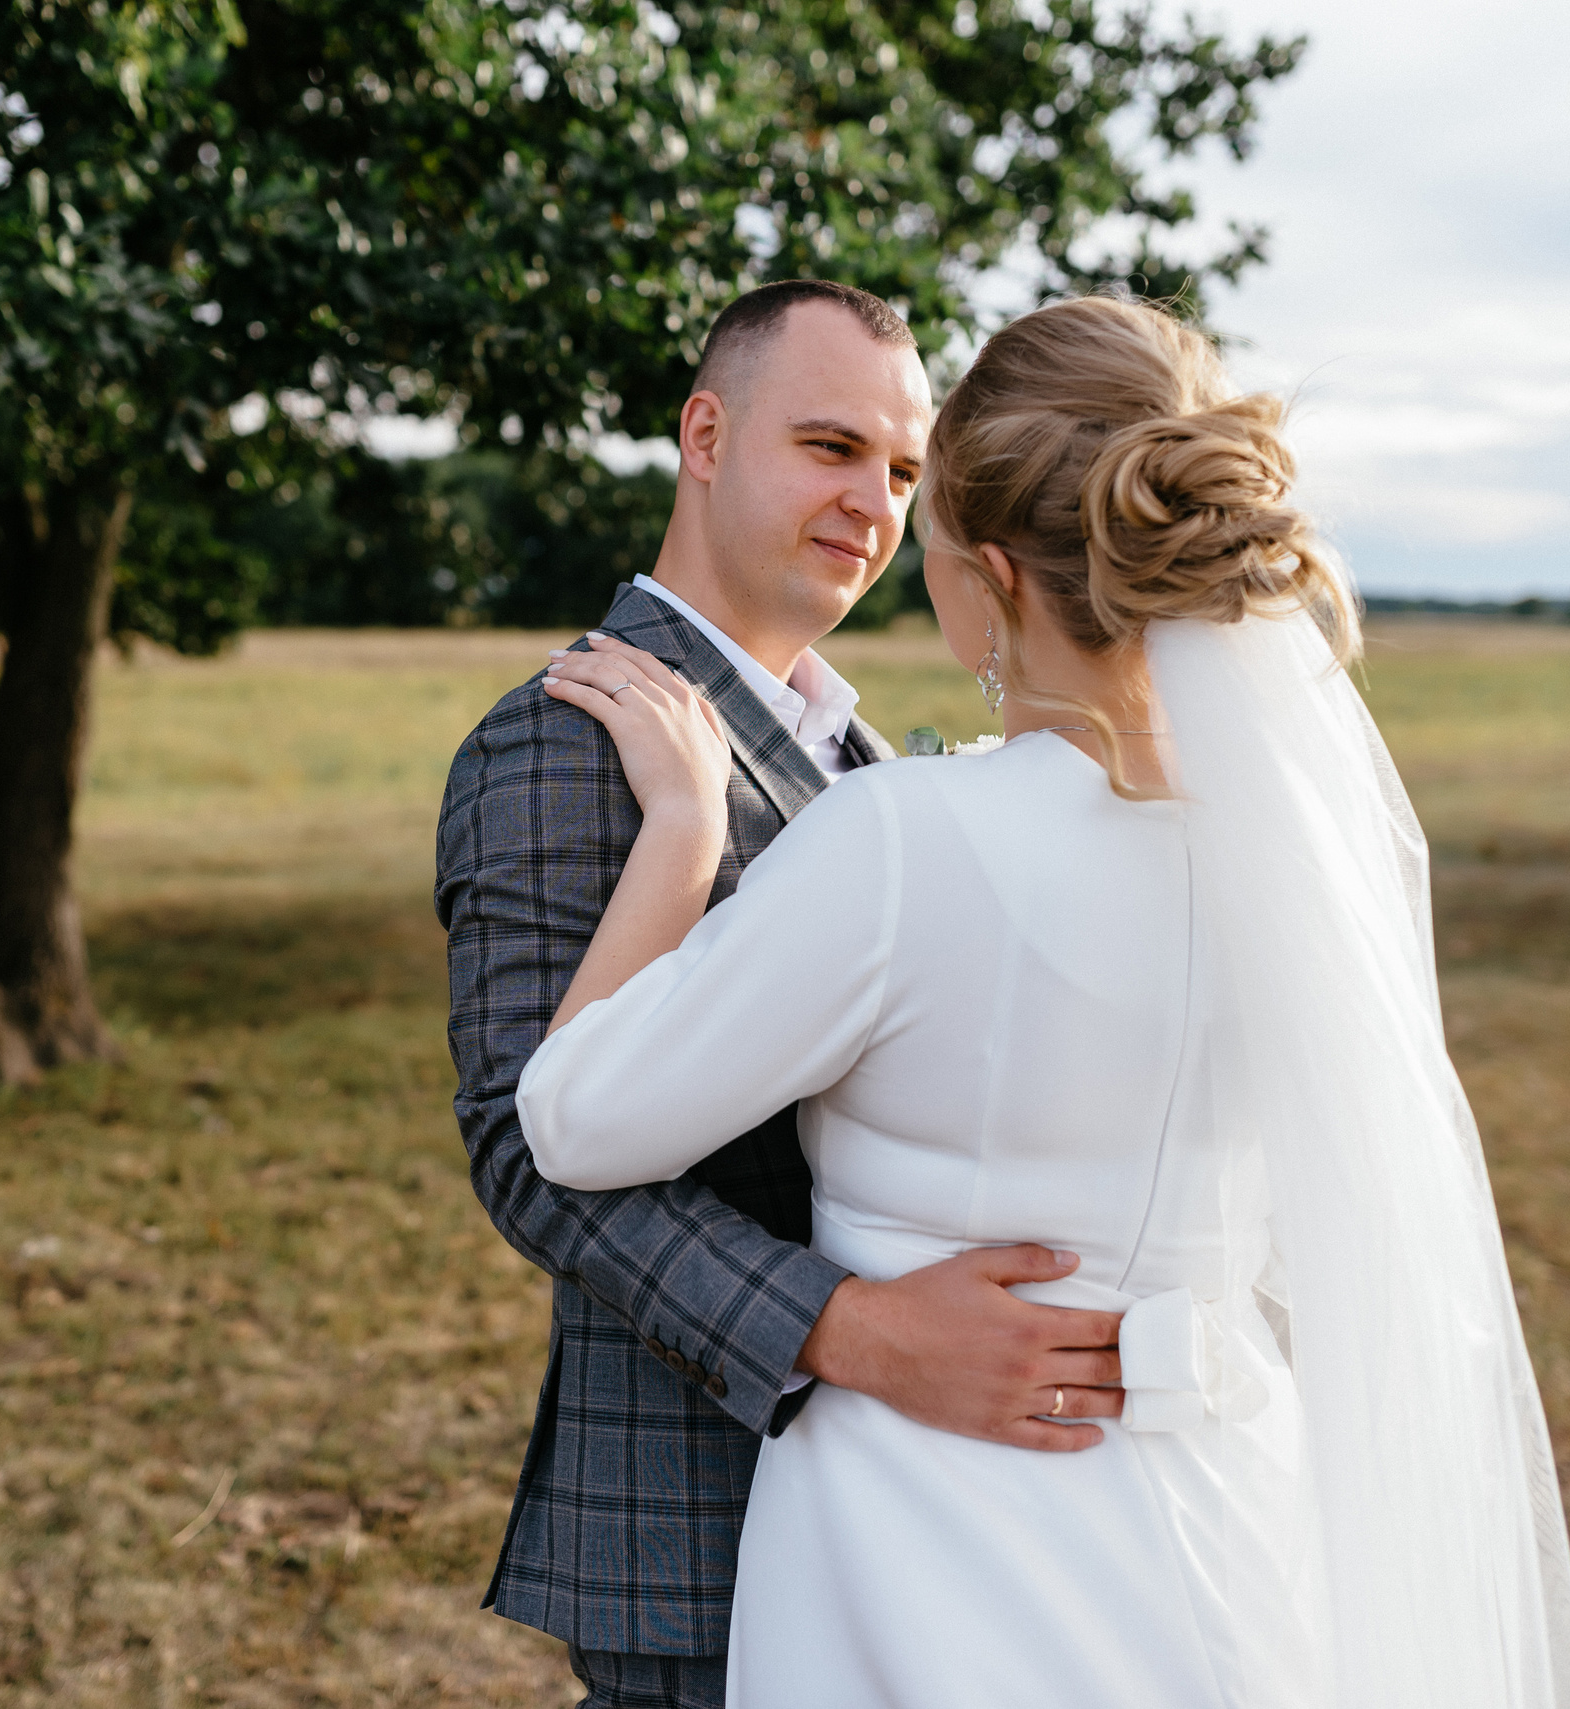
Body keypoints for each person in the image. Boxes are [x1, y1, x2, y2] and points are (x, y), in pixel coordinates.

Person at [517, 295, 1570, 1707]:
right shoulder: (1304, 866)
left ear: (995, 576)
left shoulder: (903, 838)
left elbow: (573, 1120)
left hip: (931, 1543)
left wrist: (683, 833)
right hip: (1239, 1509)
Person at [436, 281, 1138, 1709]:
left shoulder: (880, 762)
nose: (872, 504)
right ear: (706, 432)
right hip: (707, 1522)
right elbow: (531, 1156)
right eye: (830, 446)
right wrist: (864, 1333)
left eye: (898, 470)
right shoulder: (559, 745)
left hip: (935, 1518)